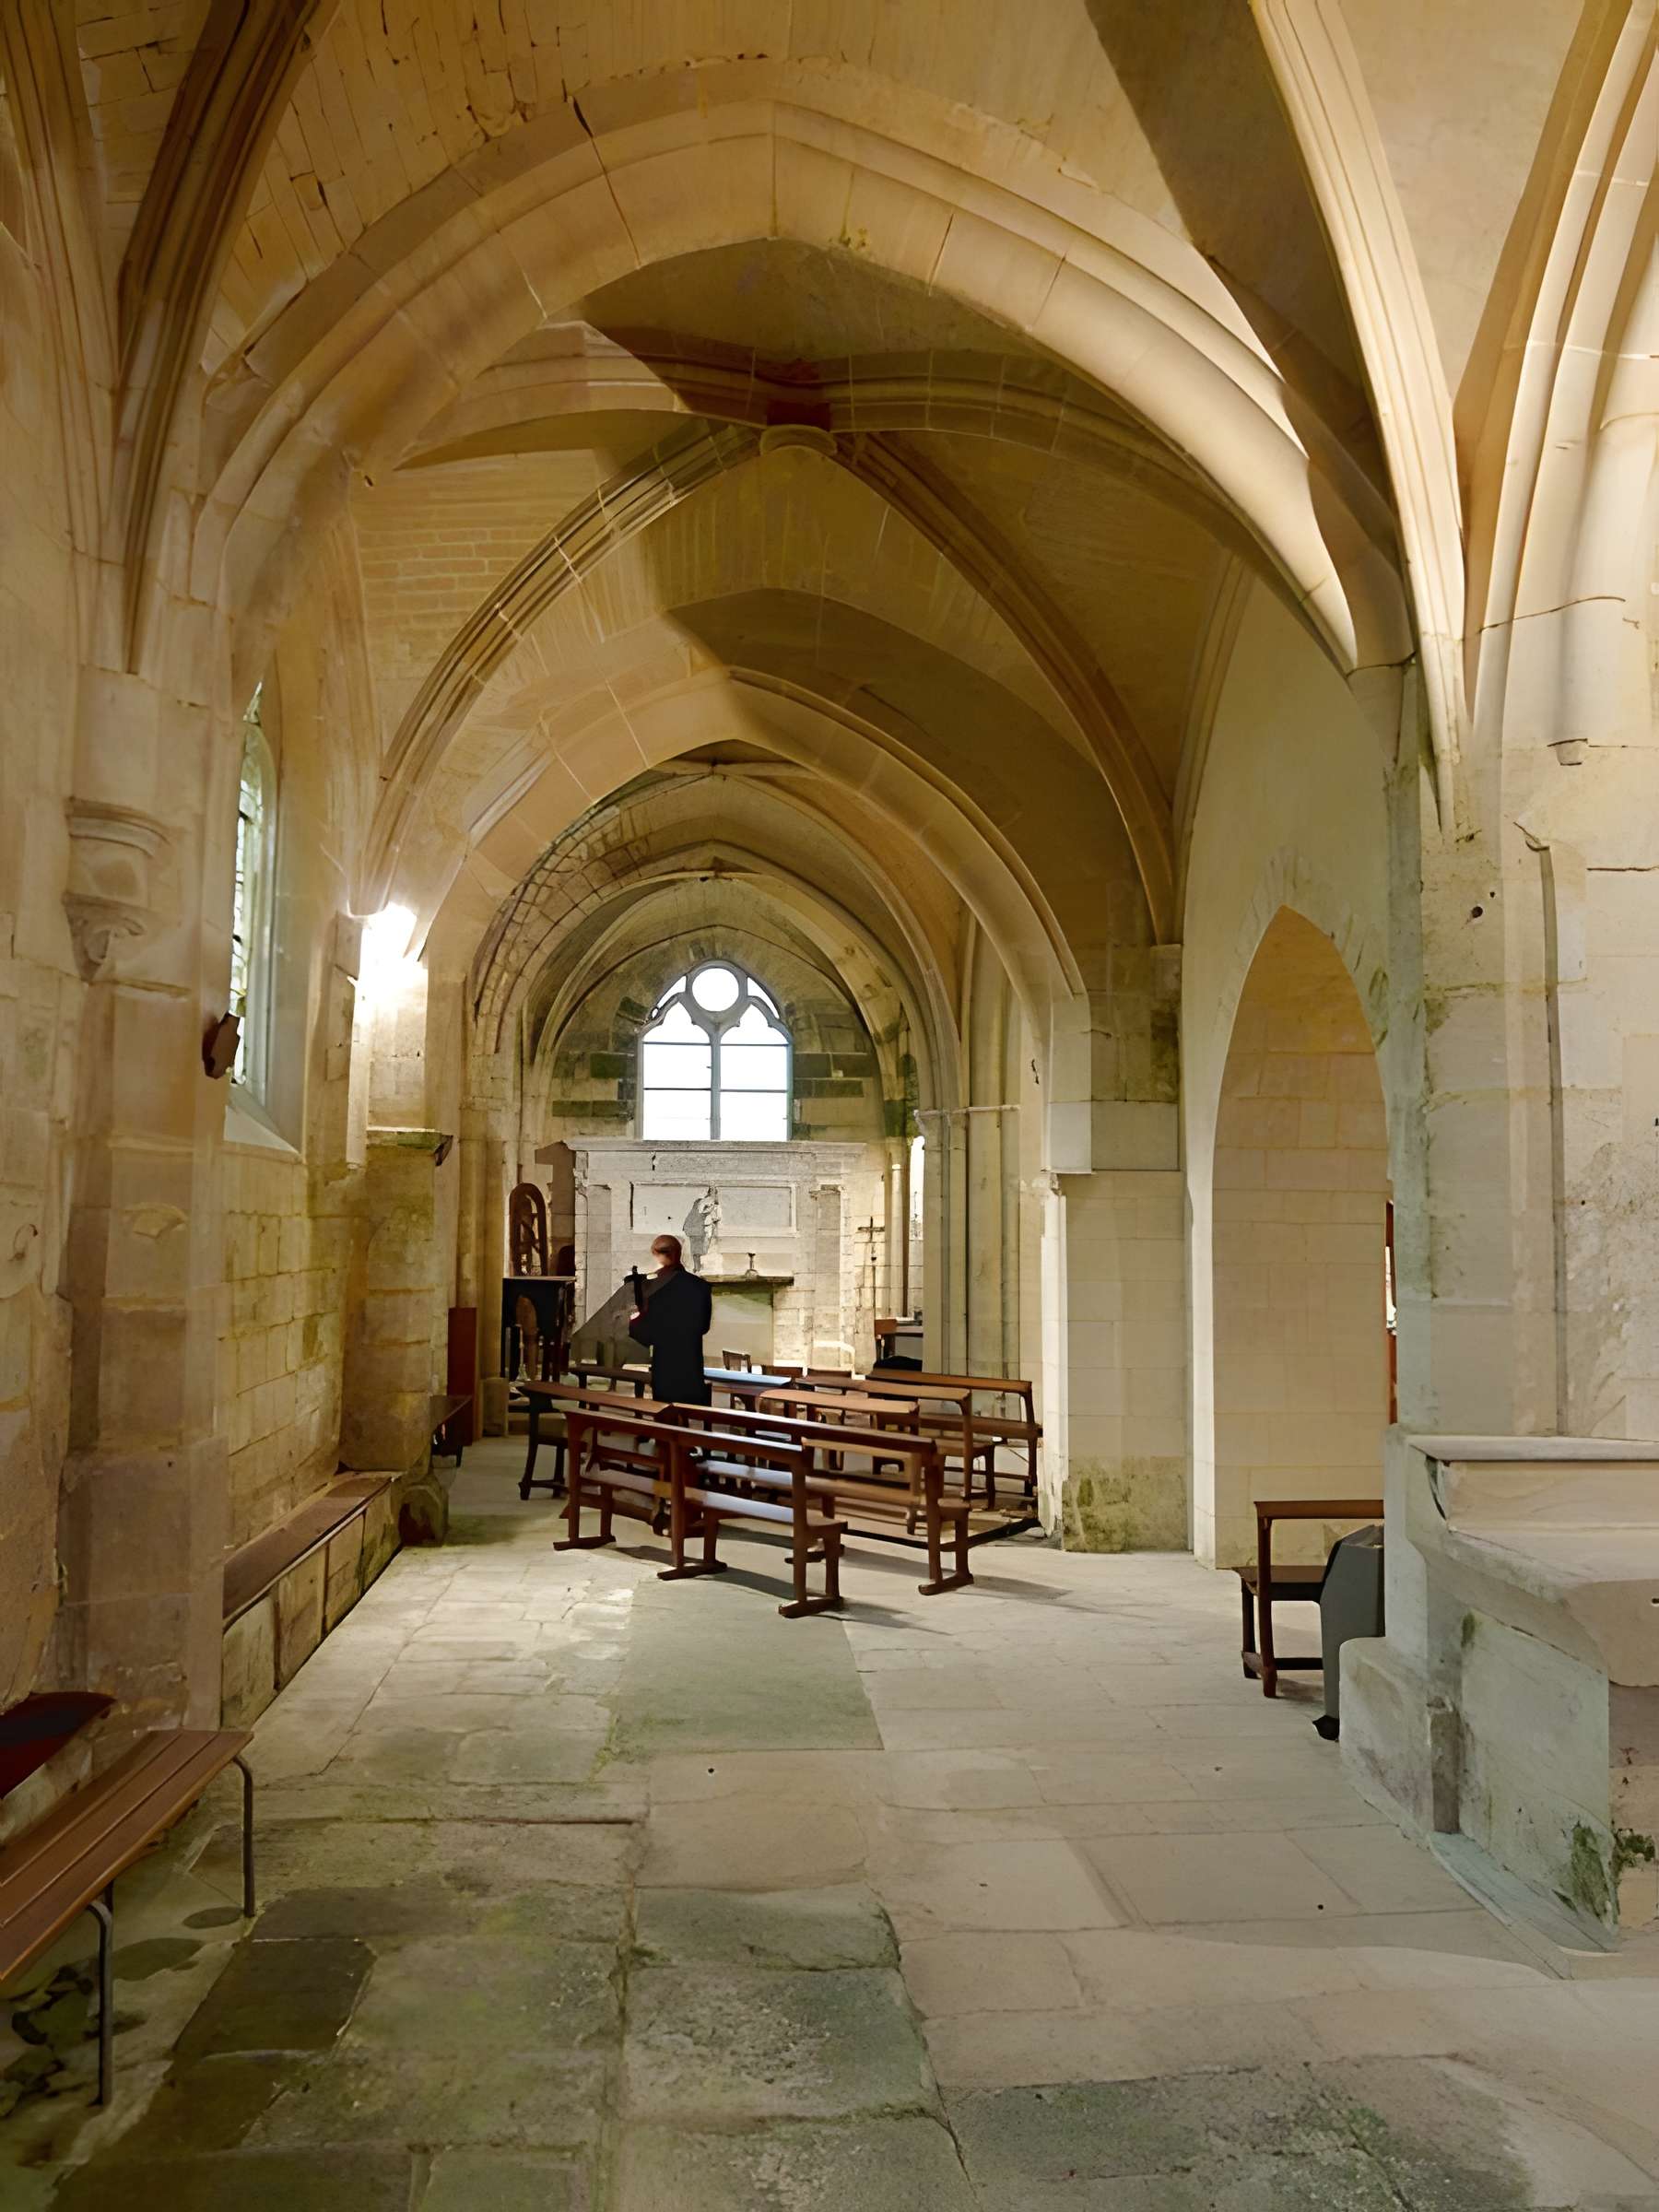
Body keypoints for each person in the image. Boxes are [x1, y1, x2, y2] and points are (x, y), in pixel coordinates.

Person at [627, 1234, 712, 1405]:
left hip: (666, 1360)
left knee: (665, 1407)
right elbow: (704, 1326)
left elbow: (648, 1331)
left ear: (659, 1256)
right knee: (688, 1406)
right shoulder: (700, 1286)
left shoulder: (656, 1288)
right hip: (690, 1358)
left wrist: (631, 1323)